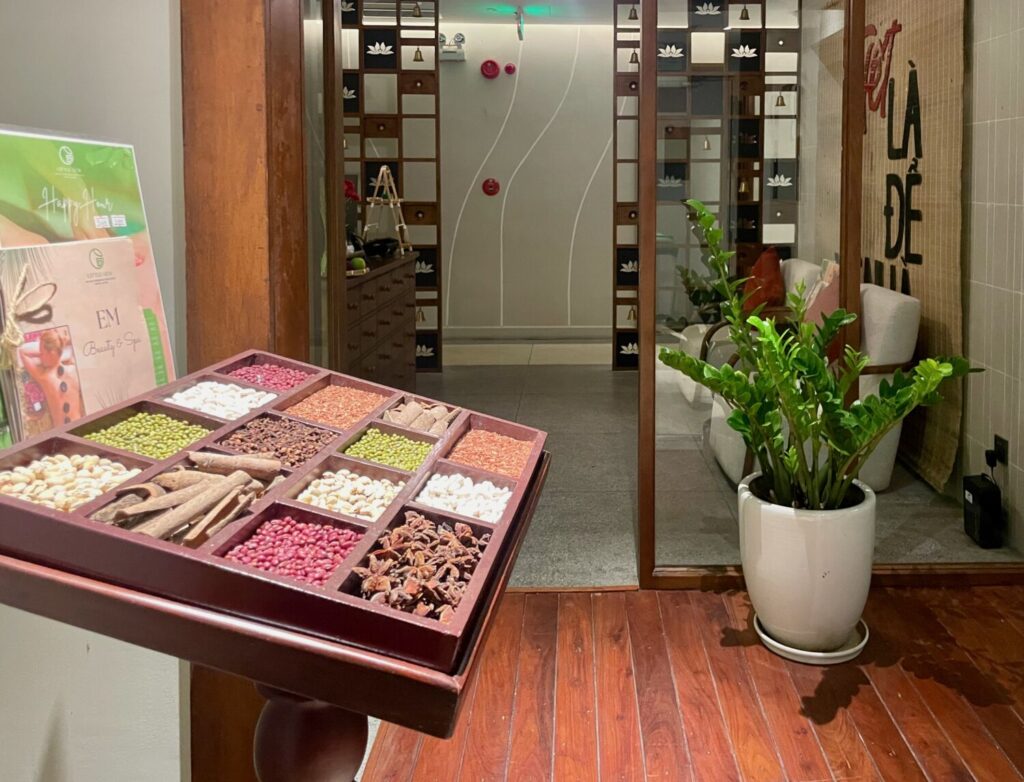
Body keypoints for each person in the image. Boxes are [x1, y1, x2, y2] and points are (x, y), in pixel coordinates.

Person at [18, 328, 84, 426]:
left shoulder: (45, 378)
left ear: (51, 353)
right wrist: (59, 346)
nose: (40, 356)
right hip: (80, 426)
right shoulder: (74, 370)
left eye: (41, 352)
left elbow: (23, 352)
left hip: (61, 432)